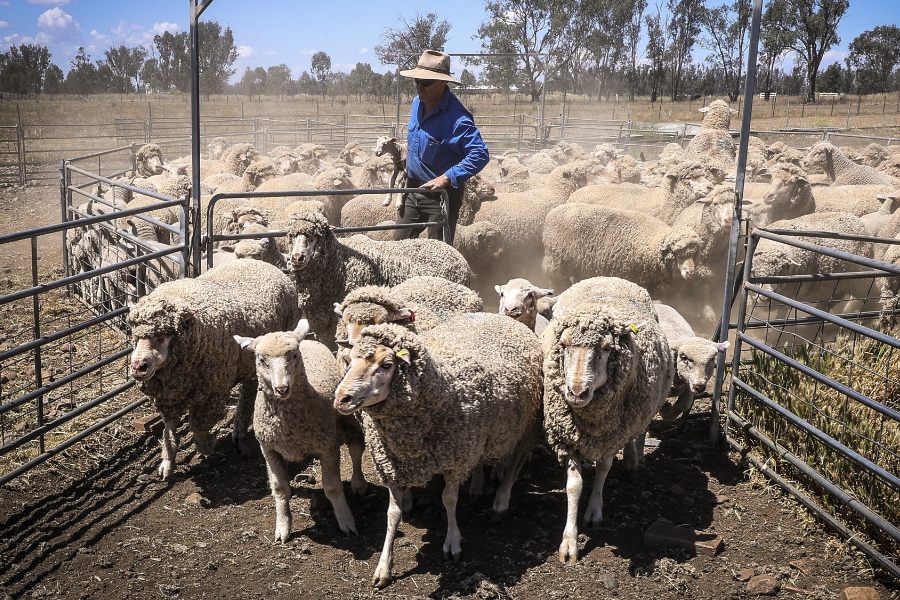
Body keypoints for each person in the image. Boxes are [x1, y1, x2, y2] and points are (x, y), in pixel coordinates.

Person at [394, 50, 489, 242]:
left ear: (443, 82)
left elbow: (480, 153)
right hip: (412, 190)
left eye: (426, 82)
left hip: (439, 197)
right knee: (397, 247)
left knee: (438, 255)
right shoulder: (417, 103)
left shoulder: (457, 119)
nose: (420, 87)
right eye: (416, 82)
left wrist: (447, 178)